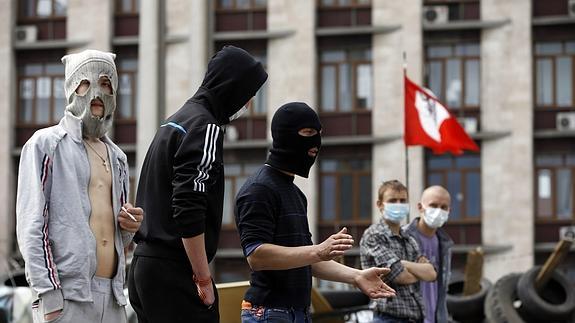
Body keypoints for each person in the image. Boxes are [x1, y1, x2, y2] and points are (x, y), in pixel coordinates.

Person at [128, 45, 268, 323]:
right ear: (232, 87)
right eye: (248, 95)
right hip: (174, 271)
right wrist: (203, 278)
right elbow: (189, 205)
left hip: (143, 267)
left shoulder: (174, 122)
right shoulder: (206, 127)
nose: (248, 104)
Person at [235, 102, 396, 323]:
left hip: (297, 313)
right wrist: (318, 251)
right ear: (284, 135)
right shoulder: (259, 188)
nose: (316, 143)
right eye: (308, 133)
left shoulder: (295, 193)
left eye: (319, 134)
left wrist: (356, 276)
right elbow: (256, 256)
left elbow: (306, 258)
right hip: (269, 313)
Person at [16, 49, 143, 323]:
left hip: (112, 298)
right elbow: (31, 225)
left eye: (106, 83)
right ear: (72, 88)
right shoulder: (45, 145)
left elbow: (114, 237)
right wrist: (49, 294)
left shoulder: (118, 157)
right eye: (86, 82)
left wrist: (128, 227)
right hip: (67, 299)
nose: (97, 93)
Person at [360, 180, 437, 323]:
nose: (398, 204)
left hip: (415, 317)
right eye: (392, 200)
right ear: (380, 205)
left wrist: (403, 263)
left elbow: (432, 273)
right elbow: (401, 276)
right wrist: (418, 271)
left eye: (403, 201)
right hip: (388, 317)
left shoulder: (409, 239)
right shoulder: (374, 235)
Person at [403, 186, 453, 323]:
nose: (438, 211)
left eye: (444, 207)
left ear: (449, 211)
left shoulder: (446, 245)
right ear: (420, 207)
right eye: (433, 205)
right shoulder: (402, 237)